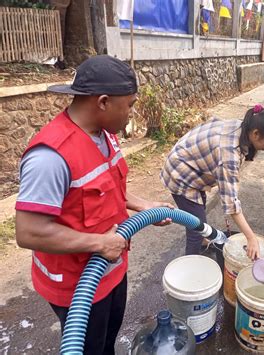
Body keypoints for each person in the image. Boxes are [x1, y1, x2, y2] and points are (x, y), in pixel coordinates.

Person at [15, 55, 173, 354]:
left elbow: (108, 188)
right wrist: (100, 243)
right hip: (77, 284)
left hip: (112, 268)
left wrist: (145, 207)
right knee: (89, 348)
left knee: (107, 342)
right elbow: (29, 232)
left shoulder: (104, 135)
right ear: (102, 102)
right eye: (129, 105)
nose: (131, 114)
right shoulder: (49, 158)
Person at [161, 104, 264, 260]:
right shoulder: (229, 155)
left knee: (198, 213)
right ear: (255, 133)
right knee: (195, 227)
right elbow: (231, 204)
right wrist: (251, 237)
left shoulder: (243, 126)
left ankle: (202, 240)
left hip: (192, 162)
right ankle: (191, 267)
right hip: (180, 173)